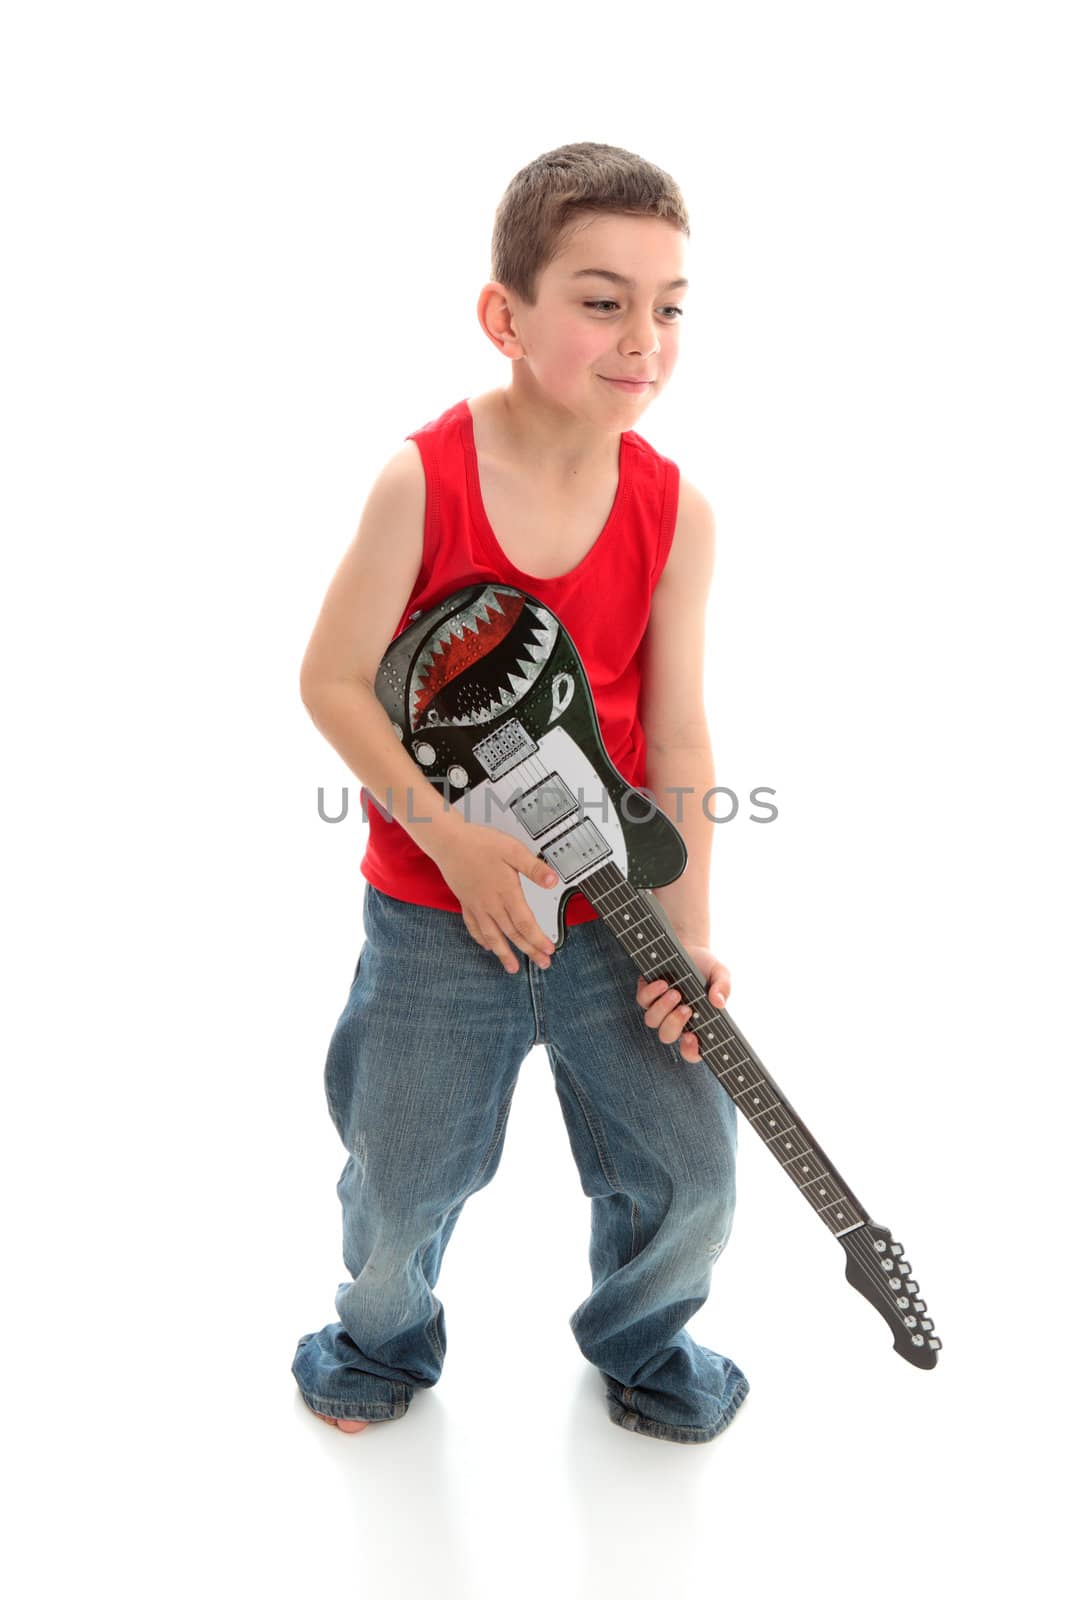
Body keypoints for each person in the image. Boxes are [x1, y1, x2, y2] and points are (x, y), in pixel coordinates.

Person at [290, 141, 749, 1445]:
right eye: (602, 300)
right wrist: (456, 849)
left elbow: (680, 735)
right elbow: (331, 681)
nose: (642, 337)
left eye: (669, 306)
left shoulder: (678, 512)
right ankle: (376, 1344)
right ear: (506, 315)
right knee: (400, 1180)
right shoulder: (422, 482)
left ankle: (646, 1346)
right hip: (439, 922)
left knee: (696, 1175)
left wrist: (691, 935)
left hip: (617, 920)